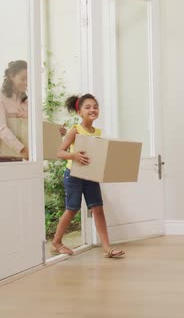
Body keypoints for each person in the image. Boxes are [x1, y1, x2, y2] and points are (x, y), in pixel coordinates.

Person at [51, 94, 125, 258]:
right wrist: (74, 156)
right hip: (73, 176)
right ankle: (56, 242)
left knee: (98, 209)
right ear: (80, 112)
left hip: (90, 176)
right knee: (73, 209)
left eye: (95, 106)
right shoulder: (75, 131)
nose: (93, 109)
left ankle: (107, 248)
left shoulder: (97, 132)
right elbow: (60, 152)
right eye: (88, 107)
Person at [0, 60, 29, 162]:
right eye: (23, 79)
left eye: (28, 79)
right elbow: (1, 129)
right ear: (11, 77)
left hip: (18, 155)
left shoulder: (25, 100)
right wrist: (22, 150)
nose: (26, 83)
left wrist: (56, 131)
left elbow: (32, 125)